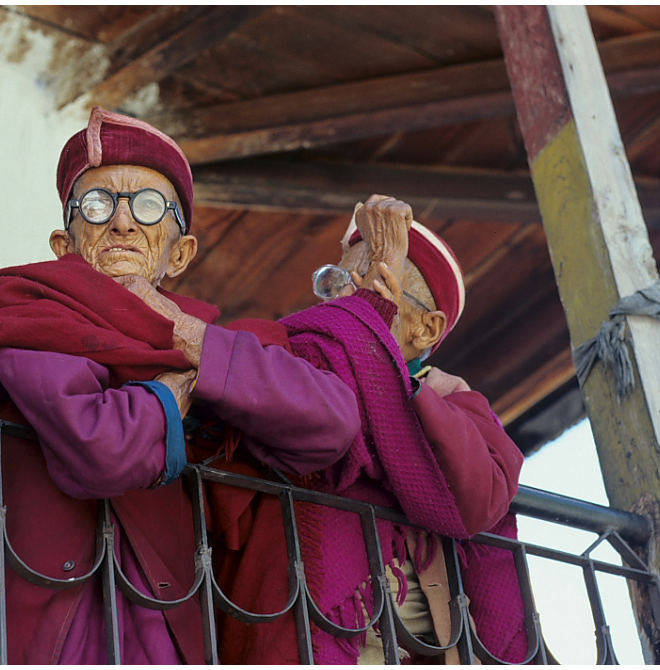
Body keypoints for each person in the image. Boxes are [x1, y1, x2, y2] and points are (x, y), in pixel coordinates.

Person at [0, 107, 361, 664]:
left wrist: (193, 341)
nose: (121, 223)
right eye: (96, 205)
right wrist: (175, 393)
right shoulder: (29, 305)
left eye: (146, 205)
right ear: (63, 246)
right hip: (28, 626)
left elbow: (330, 425)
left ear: (180, 252)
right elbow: (100, 449)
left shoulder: (207, 340)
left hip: (159, 626)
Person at [215, 196, 529, 664]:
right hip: (309, 631)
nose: (349, 302)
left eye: (376, 282)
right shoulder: (298, 356)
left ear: (426, 330)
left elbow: (480, 498)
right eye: (339, 283)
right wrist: (372, 311)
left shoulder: (451, 404)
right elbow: (279, 383)